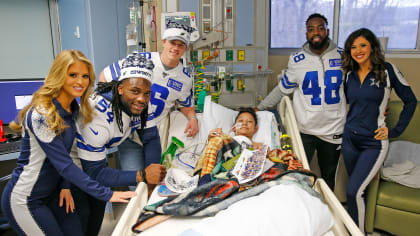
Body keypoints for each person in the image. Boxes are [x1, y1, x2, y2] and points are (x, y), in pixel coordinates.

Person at [1, 50, 136, 236]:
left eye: (85, 76)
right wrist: (108, 194)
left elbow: (69, 152)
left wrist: (65, 186)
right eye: (72, 75)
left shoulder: (72, 108)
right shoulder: (42, 114)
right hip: (26, 200)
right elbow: (64, 165)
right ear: (59, 75)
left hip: (53, 193)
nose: (80, 81)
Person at [73, 53, 167, 235]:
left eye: (146, 93)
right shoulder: (96, 117)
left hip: (95, 161)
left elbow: (151, 138)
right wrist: (142, 175)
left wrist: (152, 178)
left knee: (94, 223)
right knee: (79, 225)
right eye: (135, 91)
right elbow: (95, 173)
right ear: (121, 89)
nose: (141, 99)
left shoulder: (142, 104)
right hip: (72, 171)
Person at [98, 20, 198, 183]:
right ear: (164, 42)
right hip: (127, 130)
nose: (176, 48)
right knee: (135, 179)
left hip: (151, 130)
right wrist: (116, 107)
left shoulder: (185, 78)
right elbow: (105, 76)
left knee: (154, 178)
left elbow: (185, 104)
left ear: (185, 48)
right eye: (173, 42)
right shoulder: (140, 59)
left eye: (181, 45)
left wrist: (192, 118)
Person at [256, 13, 345, 191]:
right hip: (305, 129)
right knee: (298, 176)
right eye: (311, 29)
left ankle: (327, 212)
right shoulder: (297, 59)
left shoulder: (343, 56)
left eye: (320, 28)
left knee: (329, 176)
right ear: (306, 34)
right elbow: (283, 89)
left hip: (333, 129)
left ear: (327, 31)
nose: (316, 33)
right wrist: (260, 107)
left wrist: (378, 106)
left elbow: (356, 87)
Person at [341, 28, 417, 232]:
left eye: (362, 45)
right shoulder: (348, 75)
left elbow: (411, 101)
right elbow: (353, 106)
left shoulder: (387, 70)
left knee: (353, 191)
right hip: (349, 141)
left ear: (372, 46)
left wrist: (394, 131)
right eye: (353, 47)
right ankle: (359, 226)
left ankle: (356, 232)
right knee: (359, 191)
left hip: (372, 143)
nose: (358, 51)